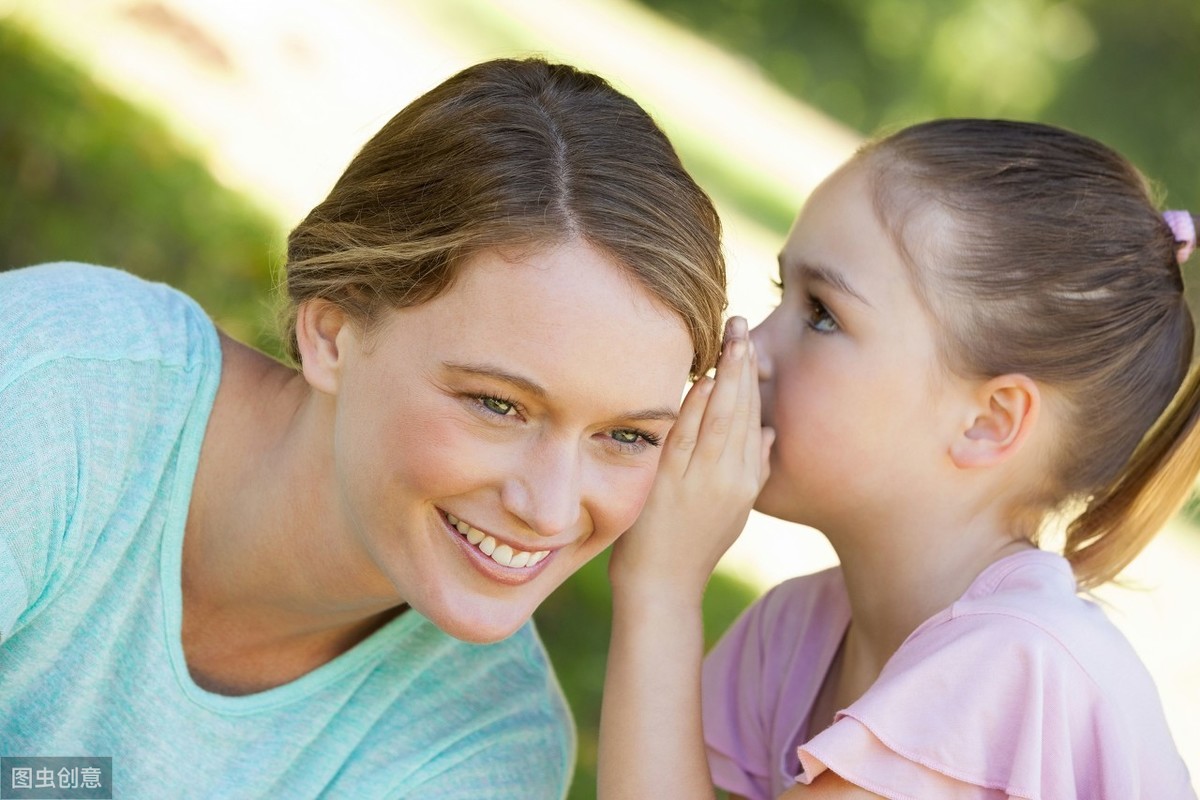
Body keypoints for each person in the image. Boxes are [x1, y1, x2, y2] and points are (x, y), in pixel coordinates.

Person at [0, 57, 728, 798]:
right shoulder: (56, 391)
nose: (548, 507)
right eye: (496, 404)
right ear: (332, 333)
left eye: (628, 436)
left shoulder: (484, 745)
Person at [599, 119, 1199, 799]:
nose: (752, 349)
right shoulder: (792, 634)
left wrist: (662, 590)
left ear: (987, 422)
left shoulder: (1012, 666)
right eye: (781, 294)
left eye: (822, 314)